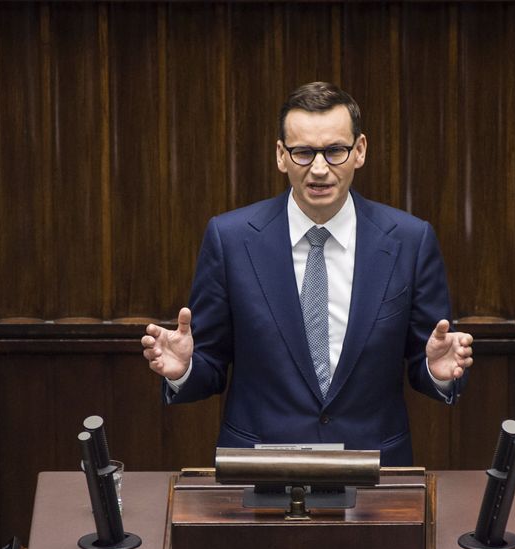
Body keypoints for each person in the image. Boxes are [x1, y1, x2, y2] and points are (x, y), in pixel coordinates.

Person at [140, 82, 473, 466]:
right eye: (303, 152)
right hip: (259, 471)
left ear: (359, 151)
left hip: (375, 471)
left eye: (334, 151)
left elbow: (426, 359)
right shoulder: (230, 239)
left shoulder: (410, 241)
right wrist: (185, 370)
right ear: (281, 156)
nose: (319, 169)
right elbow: (211, 365)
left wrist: (438, 372)